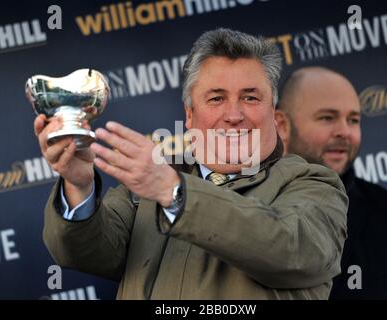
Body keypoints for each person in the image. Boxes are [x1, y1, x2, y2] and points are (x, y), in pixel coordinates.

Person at [34, 29, 348, 300]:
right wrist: (79, 186)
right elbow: (86, 253)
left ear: (273, 112)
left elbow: (293, 252)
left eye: (250, 98)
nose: (234, 115)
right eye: (216, 98)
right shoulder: (150, 185)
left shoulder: (314, 183)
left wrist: (174, 194)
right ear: (189, 114)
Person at [275, 66, 387, 299]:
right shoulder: (248, 208)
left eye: (353, 120)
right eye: (327, 117)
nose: (344, 131)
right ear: (282, 125)